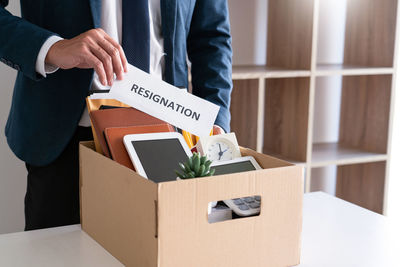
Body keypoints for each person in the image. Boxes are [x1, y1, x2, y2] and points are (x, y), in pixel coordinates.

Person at [0, 0, 232, 231]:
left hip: (170, 134)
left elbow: (212, 37)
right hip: (64, 139)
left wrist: (213, 122)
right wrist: (52, 48)